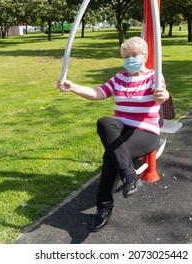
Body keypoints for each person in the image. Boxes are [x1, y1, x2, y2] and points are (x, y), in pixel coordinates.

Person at [57, 36, 170, 232]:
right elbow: (97, 93)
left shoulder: (154, 76)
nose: (130, 60)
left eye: (134, 55)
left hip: (145, 131)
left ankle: (104, 208)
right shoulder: (119, 78)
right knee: (104, 122)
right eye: (126, 56)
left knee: (111, 156)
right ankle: (129, 176)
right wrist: (73, 87)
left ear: (144, 56)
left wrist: (163, 96)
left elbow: (162, 93)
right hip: (121, 129)